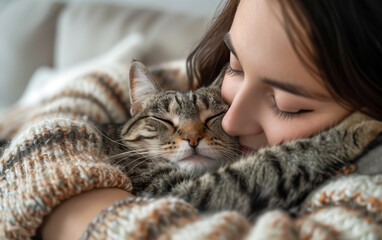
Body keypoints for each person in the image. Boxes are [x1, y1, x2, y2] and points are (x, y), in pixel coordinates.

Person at [2, 0, 381, 239]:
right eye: (234, 67)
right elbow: (84, 95)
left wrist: (69, 208)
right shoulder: (203, 92)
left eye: (288, 104)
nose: (229, 122)